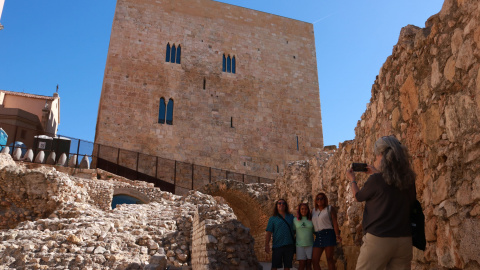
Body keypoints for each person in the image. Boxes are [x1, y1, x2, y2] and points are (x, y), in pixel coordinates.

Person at [346, 135, 416, 270]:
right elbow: (393, 189)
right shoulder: (409, 181)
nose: (376, 159)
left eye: (377, 156)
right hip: (404, 240)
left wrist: (352, 179)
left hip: (379, 239)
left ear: (382, 155)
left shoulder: (376, 180)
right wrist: (376, 173)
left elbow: (358, 196)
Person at [311, 192, 341, 270]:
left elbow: (335, 222)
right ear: (315, 200)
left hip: (328, 234)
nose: (319, 200)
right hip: (318, 235)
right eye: (318, 198)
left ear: (325, 200)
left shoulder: (330, 208)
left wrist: (337, 235)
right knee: (315, 260)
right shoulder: (313, 211)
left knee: (329, 259)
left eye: (322, 198)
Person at [265, 199, 295, 270]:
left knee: (287, 267)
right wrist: (266, 245)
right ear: (276, 205)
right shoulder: (272, 218)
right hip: (277, 245)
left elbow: (295, 229)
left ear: (286, 205)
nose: (281, 204)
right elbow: (269, 232)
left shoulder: (291, 217)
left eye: (283, 203)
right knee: (274, 266)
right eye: (279, 203)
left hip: (289, 245)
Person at [293, 203, 315, 270]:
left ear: (308, 210)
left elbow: (315, 231)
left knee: (309, 264)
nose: (304, 210)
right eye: (302, 209)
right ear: (299, 210)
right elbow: (293, 232)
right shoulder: (295, 220)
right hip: (299, 245)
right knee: (301, 264)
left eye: (306, 209)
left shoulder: (312, 219)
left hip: (310, 245)